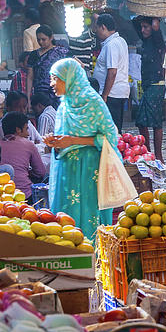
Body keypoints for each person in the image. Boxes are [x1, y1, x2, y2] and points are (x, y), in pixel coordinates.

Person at [44, 58, 119, 238]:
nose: (51, 84)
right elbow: (63, 138)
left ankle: (94, 259)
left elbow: (110, 137)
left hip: (90, 168)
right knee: (66, 216)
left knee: (89, 211)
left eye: (55, 78)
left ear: (69, 77)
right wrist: (54, 142)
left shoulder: (93, 101)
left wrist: (72, 141)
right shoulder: (64, 105)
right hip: (66, 170)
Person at [135, 17, 166, 163]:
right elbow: (134, 24)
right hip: (147, 85)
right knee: (141, 121)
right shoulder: (146, 41)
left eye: (145, 27)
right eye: (142, 27)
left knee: (155, 122)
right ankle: (147, 152)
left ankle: (158, 156)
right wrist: (143, 15)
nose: (143, 30)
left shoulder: (157, 40)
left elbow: (155, 29)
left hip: (156, 85)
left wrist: (155, 19)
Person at [93, 13, 129, 134]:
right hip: (117, 92)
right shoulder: (120, 41)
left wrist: (104, 95)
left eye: (97, 28)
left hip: (112, 94)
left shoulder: (111, 45)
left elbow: (112, 72)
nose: (96, 31)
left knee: (111, 130)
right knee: (115, 127)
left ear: (103, 27)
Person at [0, 111, 47, 198]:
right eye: (26, 129)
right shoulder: (28, 144)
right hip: (25, 194)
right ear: (18, 130)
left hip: (1, 195)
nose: (28, 133)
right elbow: (41, 172)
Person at [29, 25, 69, 107]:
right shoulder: (34, 55)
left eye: (43, 39)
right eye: (38, 39)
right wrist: (28, 98)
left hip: (57, 94)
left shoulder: (61, 52)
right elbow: (30, 77)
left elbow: (79, 65)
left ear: (51, 38)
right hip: (39, 95)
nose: (40, 42)